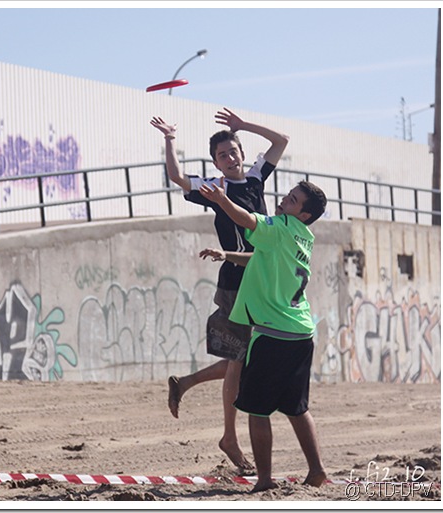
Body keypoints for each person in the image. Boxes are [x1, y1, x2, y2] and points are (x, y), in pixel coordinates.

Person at [150, 108, 288, 470]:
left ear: (242, 152)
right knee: (241, 359)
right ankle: (229, 435)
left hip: (263, 279)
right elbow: (177, 177)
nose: (229, 158)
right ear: (215, 162)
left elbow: (281, 141)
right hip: (234, 282)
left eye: (233, 151)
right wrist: (169, 139)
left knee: (244, 359)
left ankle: (187, 383)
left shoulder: (257, 177)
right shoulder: (216, 188)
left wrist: (243, 125)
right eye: (221, 155)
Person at [199, 178, 328, 492]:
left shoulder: (281, 225)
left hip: (273, 335)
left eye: (294, 199)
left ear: (304, 214)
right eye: (289, 194)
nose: (286, 198)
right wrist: (227, 254)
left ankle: (265, 480)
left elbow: (246, 219)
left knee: (256, 409)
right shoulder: (303, 237)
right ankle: (317, 471)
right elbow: (262, 258)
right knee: (297, 408)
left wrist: (221, 201)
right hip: (301, 333)